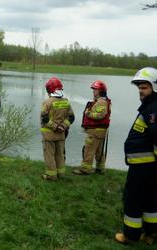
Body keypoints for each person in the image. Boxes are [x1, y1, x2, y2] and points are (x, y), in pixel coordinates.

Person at [115, 67, 157, 244]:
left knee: (133, 198)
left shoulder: (154, 109)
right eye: (139, 87)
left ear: (154, 87)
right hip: (147, 165)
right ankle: (151, 233)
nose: (140, 90)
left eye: (144, 87)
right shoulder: (150, 106)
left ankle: (130, 236)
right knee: (150, 199)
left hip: (144, 166)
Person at [73, 80, 111, 175]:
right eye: (94, 89)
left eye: (95, 90)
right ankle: (100, 169)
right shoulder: (102, 101)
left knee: (88, 150)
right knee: (99, 151)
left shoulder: (101, 102)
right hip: (100, 131)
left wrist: (88, 113)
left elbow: (100, 115)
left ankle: (85, 169)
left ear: (101, 91)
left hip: (95, 132)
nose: (93, 91)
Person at [40, 77, 75, 180]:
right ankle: (61, 174)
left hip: (49, 134)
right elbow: (71, 117)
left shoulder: (47, 102)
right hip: (61, 134)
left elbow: (44, 119)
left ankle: (51, 175)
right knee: (60, 154)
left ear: (50, 89)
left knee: (49, 155)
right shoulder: (66, 101)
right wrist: (63, 126)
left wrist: (55, 127)